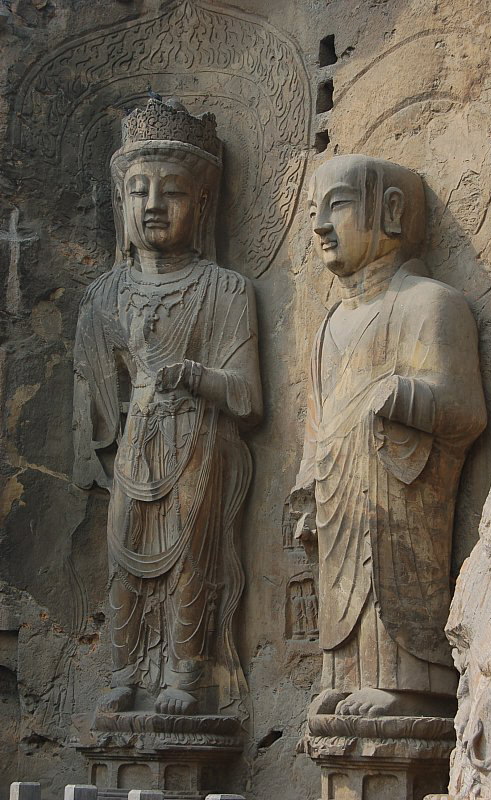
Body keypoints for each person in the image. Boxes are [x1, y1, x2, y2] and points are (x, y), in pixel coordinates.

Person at [73, 98, 262, 716]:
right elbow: (95, 392)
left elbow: (249, 396)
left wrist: (195, 376)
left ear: (202, 203)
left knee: (191, 554)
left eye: (172, 190)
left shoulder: (225, 288)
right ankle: (123, 671)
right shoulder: (105, 296)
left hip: (197, 439)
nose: (153, 204)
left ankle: (186, 672)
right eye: (138, 190)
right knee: (123, 557)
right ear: (121, 203)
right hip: (136, 443)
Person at [291, 155, 486, 718]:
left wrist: (403, 395)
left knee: (390, 570)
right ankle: (346, 673)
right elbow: (316, 426)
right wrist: (307, 491)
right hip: (339, 491)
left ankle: (410, 680)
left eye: (339, 205)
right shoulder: (328, 326)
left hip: (400, 489)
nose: (321, 225)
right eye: (312, 212)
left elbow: (466, 411)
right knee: (339, 580)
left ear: (392, 211)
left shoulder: (430, 303)